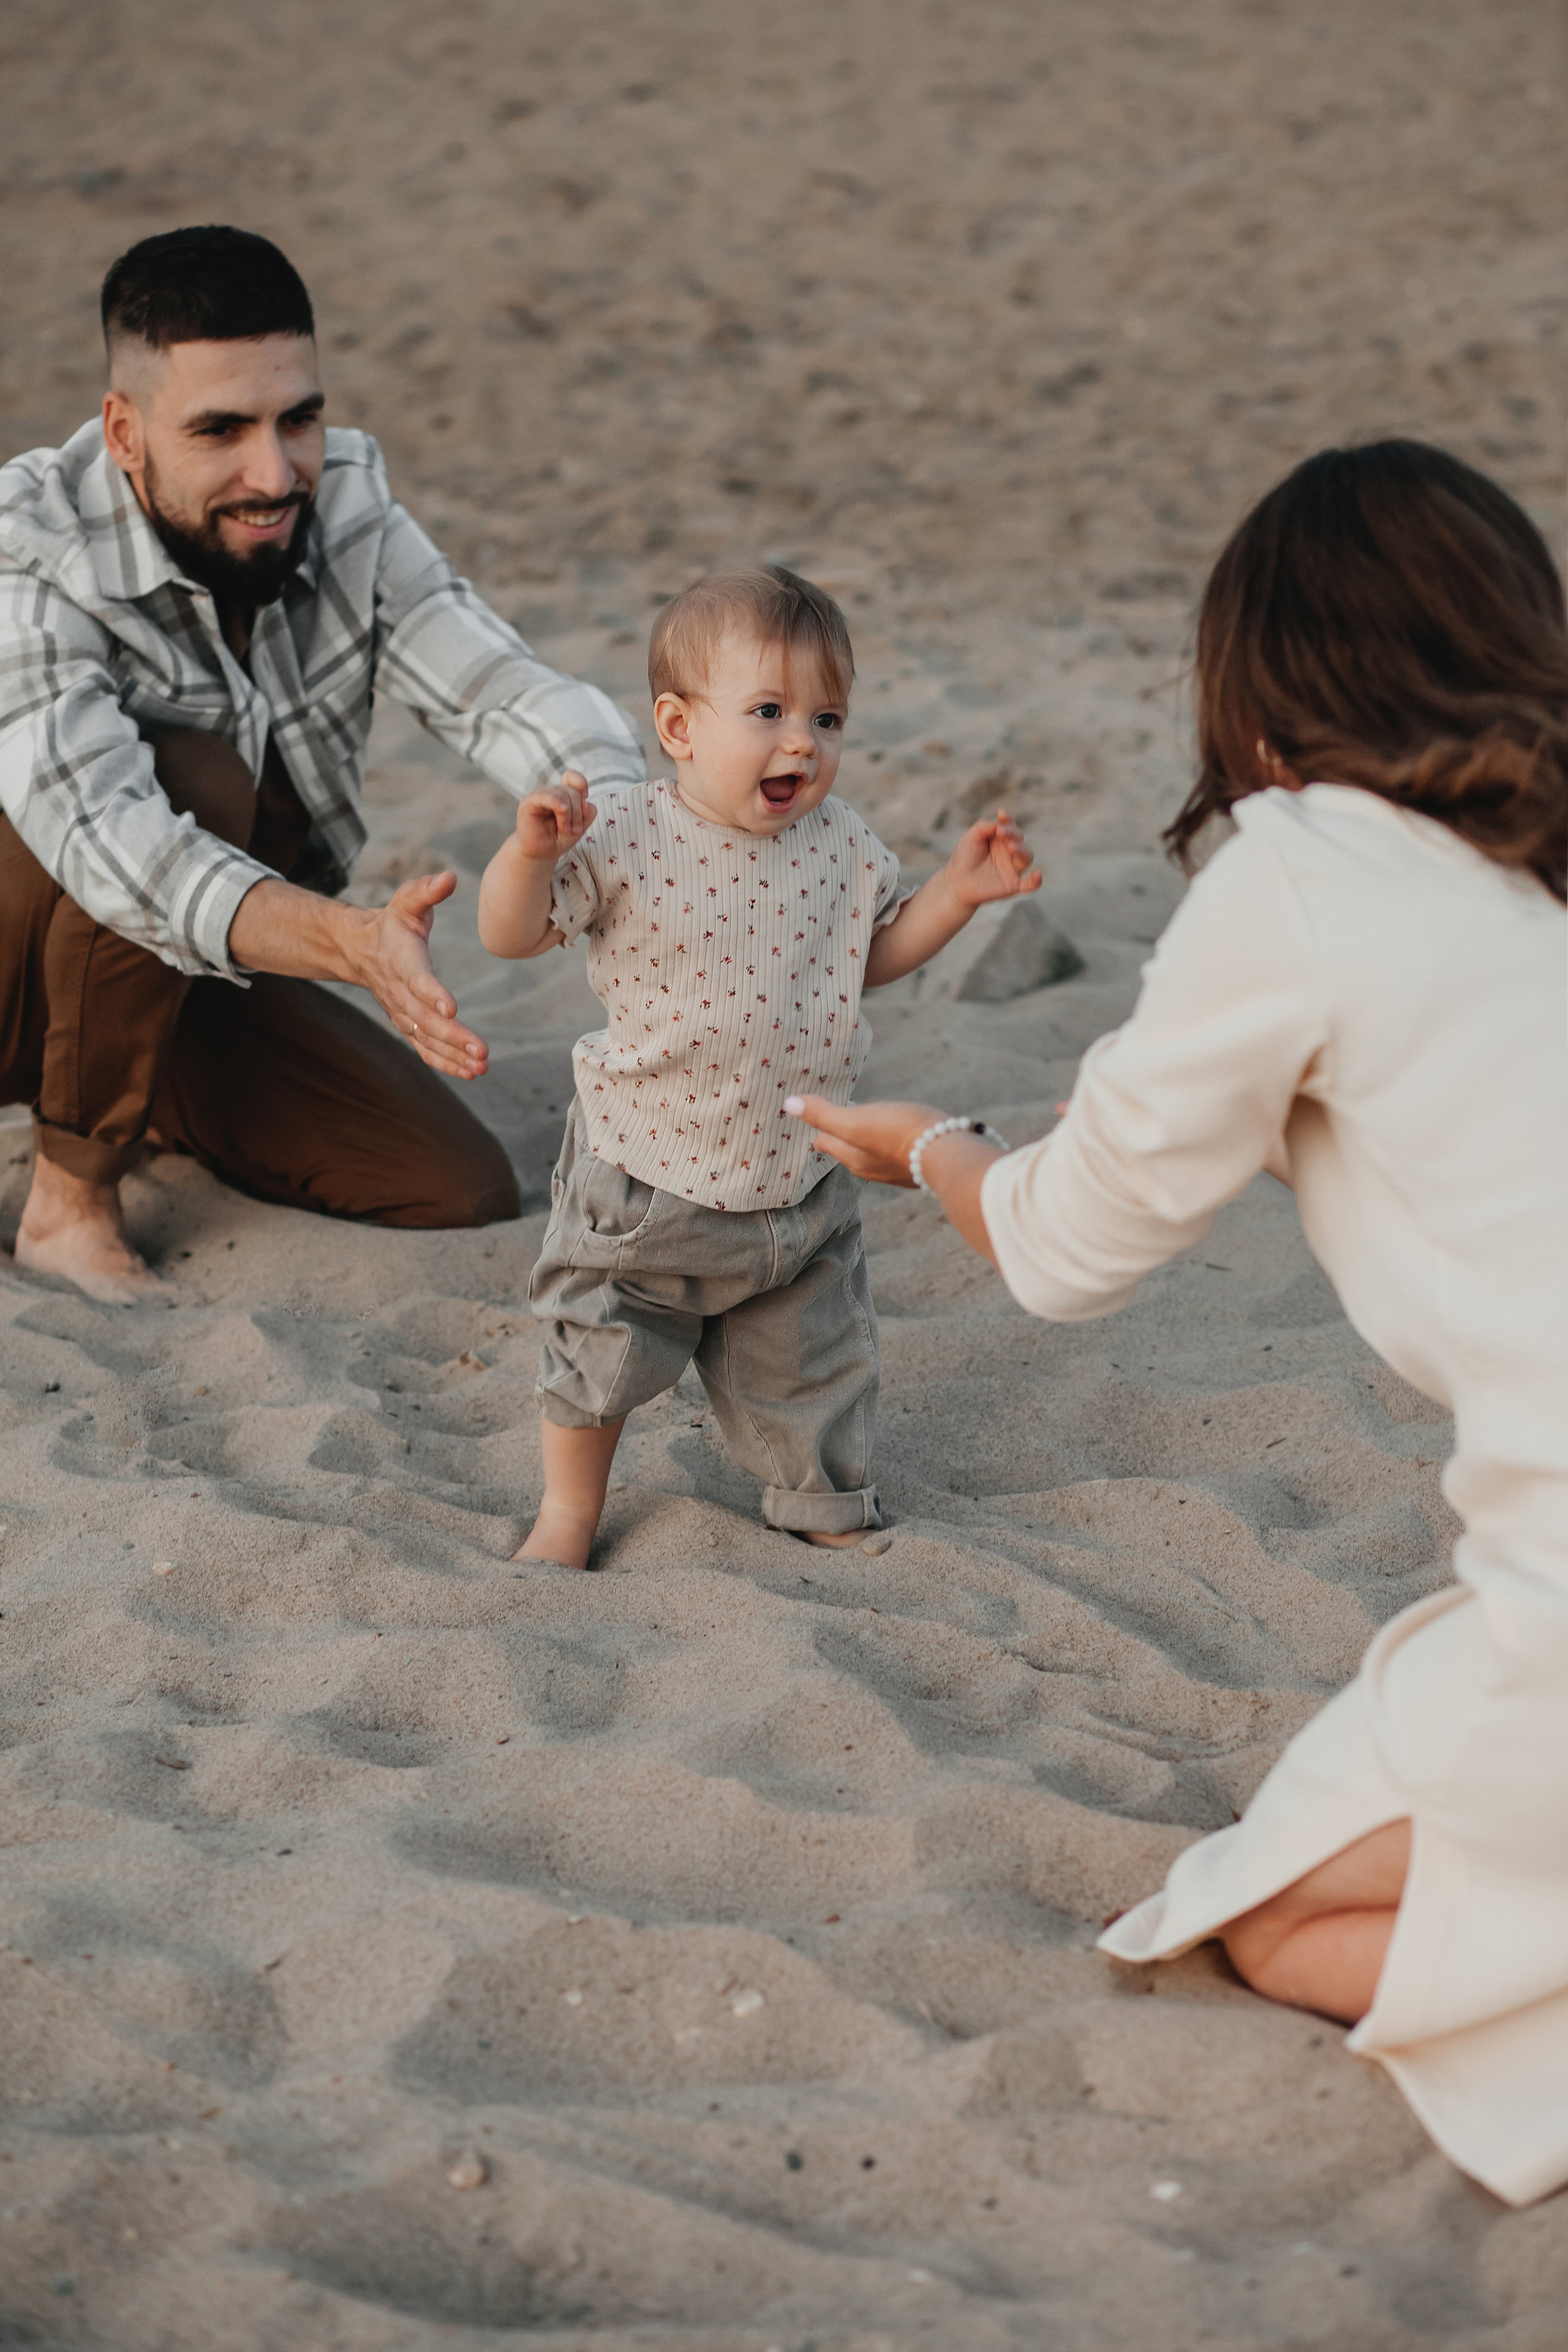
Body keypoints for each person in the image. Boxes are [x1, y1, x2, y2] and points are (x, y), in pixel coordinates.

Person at [785, 441, 1568, 2207]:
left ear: (1265, 688)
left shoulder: (1304, 860)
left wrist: (935, 1152)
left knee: (1263, 1922)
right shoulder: (1539, 873)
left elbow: (1067, 1247)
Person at [0, 225, 646, 1304]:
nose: (276, 470)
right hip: (18, 953)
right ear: (124, 430)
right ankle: (70, 1202)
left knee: (446, 1183)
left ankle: (132, 1065)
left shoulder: (342, 501)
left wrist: (621, 822)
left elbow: (500, 689)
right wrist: (353, 945)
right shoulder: (30, 544)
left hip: (179, 954)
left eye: (297, 416)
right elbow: (109, 840)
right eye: (221, 430)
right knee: (192, 777)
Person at [475, 564, 1040, 1566]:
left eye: (828, 719)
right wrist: (525, 858)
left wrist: (956, 895)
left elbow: (868, 959)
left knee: (815, 1362)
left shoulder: (841, 845)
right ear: (679, 728)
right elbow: (513, 938)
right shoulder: (630, 834)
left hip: (797, 1180)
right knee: (595, 1347)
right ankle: (568, 1514)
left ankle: (822, 1505)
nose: (803, 743)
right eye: (770, 710)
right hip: (645, 1176)